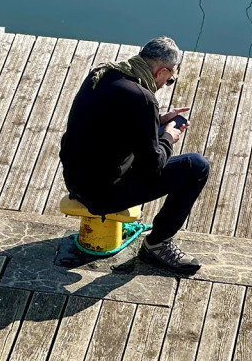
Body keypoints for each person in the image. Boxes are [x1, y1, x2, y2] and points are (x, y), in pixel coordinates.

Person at [59, 36, 209, 273]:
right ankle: (157, 244)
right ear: (162, 71)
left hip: (75, 181)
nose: (164, 85)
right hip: (101, 196)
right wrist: (169, 136)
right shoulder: (142, 98)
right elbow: (154, 166)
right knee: (197, 166)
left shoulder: (102, 74)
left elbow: (112, 125)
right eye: (169, 80)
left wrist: (157, 121)